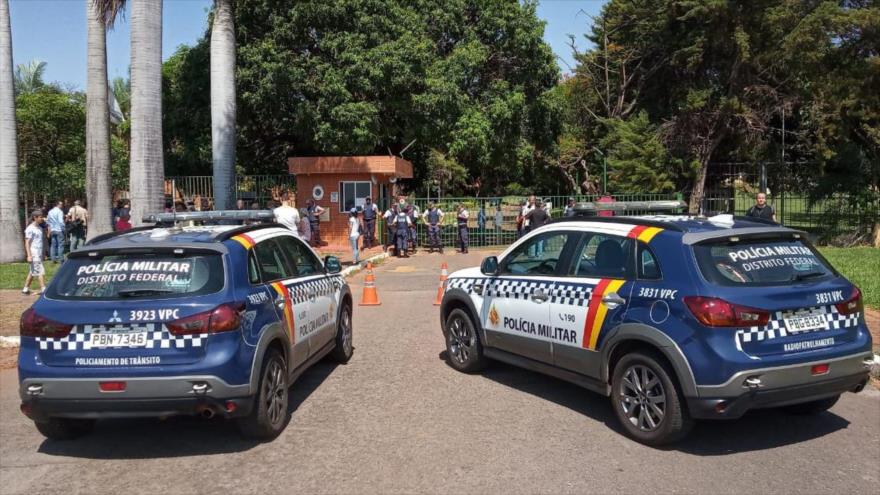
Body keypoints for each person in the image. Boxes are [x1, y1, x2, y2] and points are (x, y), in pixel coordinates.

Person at [22, 210, 47, 295]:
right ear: (35, 218)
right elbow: (27, 243)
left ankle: (25, 289)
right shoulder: (30, 229)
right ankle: (44, 289)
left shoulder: (39, 228)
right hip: (33, 253)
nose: (42, 218)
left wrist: (43, 254)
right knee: (40, 270)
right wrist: (29, 255)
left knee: (32, 271)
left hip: (39, 253)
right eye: (40, 217)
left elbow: (40, 242)